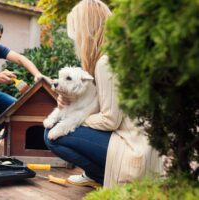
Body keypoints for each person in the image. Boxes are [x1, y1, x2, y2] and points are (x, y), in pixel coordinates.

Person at [44, 0, 163, 188]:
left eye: (76, 33)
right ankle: (94, 174)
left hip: (134, 148)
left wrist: (73, 118)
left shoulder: (106, 63)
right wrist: (69, 101)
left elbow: (109, 120)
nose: (74, 40)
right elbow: (104, 104)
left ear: (87, 32)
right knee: (61, 125)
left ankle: (99, 176)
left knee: (51, 135)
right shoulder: (120, 52)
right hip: (148, 142)